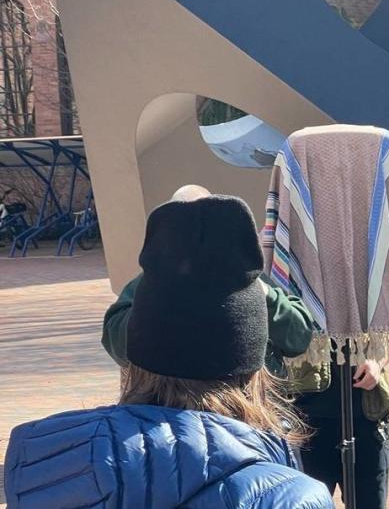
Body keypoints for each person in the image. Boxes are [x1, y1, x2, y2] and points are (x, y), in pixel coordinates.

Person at [3, 195, 334, 508]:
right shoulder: (290, 497)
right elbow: (299, 333)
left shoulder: (44, 465)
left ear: (135, 362)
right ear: (254, 369)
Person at [101, 185, 315, 379]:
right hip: (182, 396)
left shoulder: (248, 276)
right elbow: (117, 342)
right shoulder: (151, 283)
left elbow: (298, 337)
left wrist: (263, 293)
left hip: (237, 395)